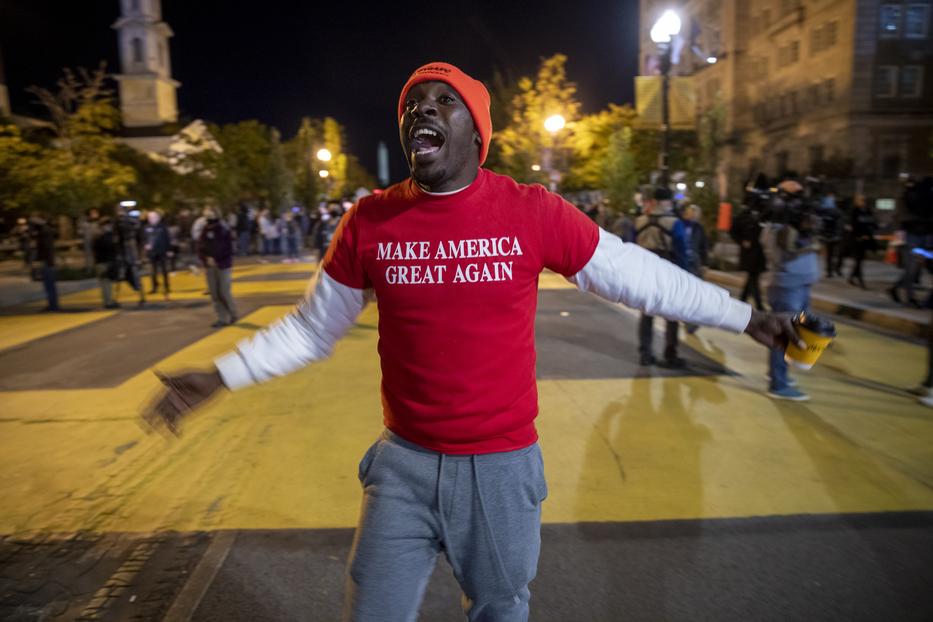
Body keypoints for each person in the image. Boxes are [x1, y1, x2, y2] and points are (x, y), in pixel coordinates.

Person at [143, 62, 799, 621]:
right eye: (410, 105)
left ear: (475, 131)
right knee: (371, 608)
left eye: (440, 102)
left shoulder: (529, 211)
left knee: (498, 607)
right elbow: (312, 329)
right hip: (401, 467)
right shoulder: (370, 221)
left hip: (500, 469)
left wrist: (741, 317)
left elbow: (635, 273)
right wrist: (222, 375)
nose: (419, 110)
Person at [763, 181, 820, 401]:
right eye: (795, 194)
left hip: (801, 283)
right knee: (784, 334)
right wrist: (808, 244)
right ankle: (778, 384)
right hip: (787, 286)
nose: (800, 199)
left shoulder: (797, 223)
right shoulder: (776, 226)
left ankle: (778, 375)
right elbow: (782, 254)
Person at [634, 189, 689, 367]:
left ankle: (645, 353)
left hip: (646, 271)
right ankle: (670, 354)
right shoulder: (674, 223)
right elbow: (681, 251)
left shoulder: (640, 221)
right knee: (672, 315)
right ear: (664, 202)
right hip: (668, 271)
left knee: (647, 314)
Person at [890, 176, 933, 307]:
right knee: (913, 268)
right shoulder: (912, 196)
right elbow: (902, 216)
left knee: (914, 268)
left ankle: (898, 289)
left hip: (918, 233)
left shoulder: (912, 194)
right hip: (916, 234)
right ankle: (910, 297)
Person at [198, 205, 237, 327]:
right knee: (214, 293)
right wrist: (206, 259)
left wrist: (217, 259)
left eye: (209, 210)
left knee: (224, 291)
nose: (206, 213)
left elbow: (228, 248)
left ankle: (233, 313)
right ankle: (222, 318)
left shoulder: (223, 228)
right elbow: (200, 247)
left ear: (215, 212)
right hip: (209, 266)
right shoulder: (205, 229)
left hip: (223, 265)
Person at [730, 202, 767, 311]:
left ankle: (742, 301)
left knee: (752, 278)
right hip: (749, 252)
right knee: (753, 278)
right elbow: (733, 231)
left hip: (759, 251)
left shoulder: (763, 214)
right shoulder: (743, 216)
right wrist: (742, 241)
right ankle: (759, 305)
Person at [681, 204, 709, 334]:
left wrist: (705, 264)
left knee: (696, 294)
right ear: (686, 214)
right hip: (682, 263)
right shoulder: (679, 225)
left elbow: (704, 246)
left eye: (696, 214)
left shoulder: (699, 228)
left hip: (695, 264)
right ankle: (688, 321)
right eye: (691, 213)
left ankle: (692, 322)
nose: (694, 216)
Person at [843, 195, 877, 289]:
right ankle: (861, 281)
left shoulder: (867, 211)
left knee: (860, 260)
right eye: (861, 200)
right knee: (859, 260)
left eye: (864, 200)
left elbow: (873, 222)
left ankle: (851, 278)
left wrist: (871, 231)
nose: (863, 202)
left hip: (865, 239)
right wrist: (859, 235)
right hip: (857, 239)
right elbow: (854, 225)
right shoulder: (855, 211)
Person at [30, 214, 59, 312]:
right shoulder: (46, 231)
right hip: (48, 261)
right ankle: (52, 304)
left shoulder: (43, 232)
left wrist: (38, 260)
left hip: (47, 261)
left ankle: (53, 305)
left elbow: (45, 249)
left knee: (49, 284)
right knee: (49, 284)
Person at [92, 217, 120, 309]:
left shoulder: (97, 236)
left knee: (105, 283)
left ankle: (108, 301)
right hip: (105, 262)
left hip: (101, 262)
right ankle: (108, 302)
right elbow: (110, 248)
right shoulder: (104, 237)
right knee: (106, 283)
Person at [143, 210, 171, 296]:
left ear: (158, 218)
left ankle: (166, 287)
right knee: (152, 271)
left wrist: (169, 250)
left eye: (154, 217)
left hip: (162, 251)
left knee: (164, 270)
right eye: (150, 217)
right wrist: (146, 246)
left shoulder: (163, 227)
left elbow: (167, 239)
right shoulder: (146, 228)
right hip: (152, 253)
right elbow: (144, 239)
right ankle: (154, 287)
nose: (152, 219)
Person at [818, 191, 843, 278]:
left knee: (831, 255)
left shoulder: (825, 210)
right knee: (834, 254)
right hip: (832, 236)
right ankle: (834, 270)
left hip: (829, 236)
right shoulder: (835, 211)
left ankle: (831, 271)